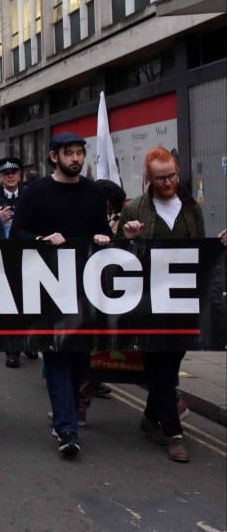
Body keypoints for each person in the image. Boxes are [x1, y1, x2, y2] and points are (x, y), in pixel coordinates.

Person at [118, 146, 227, 463]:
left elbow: (199, 250)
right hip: (148, 300)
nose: (169, 183)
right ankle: (173, 433)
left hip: (181, 298)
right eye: (161, 178)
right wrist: (128, 237)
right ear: (148, 178)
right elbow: (117, 258)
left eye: (173, 176)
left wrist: (218, 245)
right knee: (159, 365)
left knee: (171, 361)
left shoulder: (190, 206)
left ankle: (151, 417)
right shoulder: (135, 208)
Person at [11, 132, 112, 458]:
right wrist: (42, 238)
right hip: (49, 286)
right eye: (69, 153)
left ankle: (67, 414)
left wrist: (104, 238)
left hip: (85, 288)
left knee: (80, 358)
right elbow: (18, 234)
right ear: (54, 156)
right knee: (56, 353)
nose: (76, 159)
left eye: (80, 153)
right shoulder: (35, 192)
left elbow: (105, 232)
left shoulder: (94, 193)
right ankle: (66, 429)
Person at [0, 156, 39, 369]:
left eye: (14, 173)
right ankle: (12, 349)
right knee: (10, 303)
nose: (10, 177)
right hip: (4, 256)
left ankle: (29, 341)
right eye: (6, 174)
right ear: (0, 176)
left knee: (30, 302)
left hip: (28, 254)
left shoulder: (31, 195)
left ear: (19, 175)